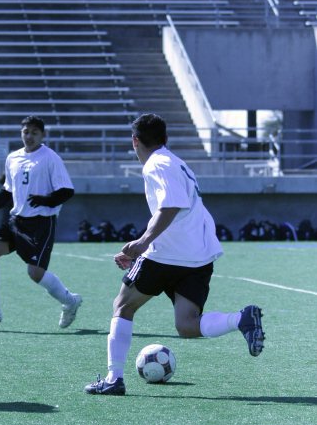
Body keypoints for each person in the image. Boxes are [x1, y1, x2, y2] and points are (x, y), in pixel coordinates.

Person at [85, 113, 265, 396]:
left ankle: (114, 378)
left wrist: (143, 242)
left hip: (166, 255)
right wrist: (142, 242)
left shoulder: (156, 164)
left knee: (123, 306)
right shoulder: (177, 163)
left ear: (135, 141)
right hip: (199, 255)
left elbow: (171, 207)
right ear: (165, 138)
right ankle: (240, 319)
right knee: (187, 324)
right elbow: (173, 208)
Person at [0, 115, 82, 328]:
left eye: (35, 132)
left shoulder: (50, 158)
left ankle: (70, 301)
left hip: (41, 223)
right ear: (21, 133)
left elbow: (67, 191)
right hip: (15, 220)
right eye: (26, 132)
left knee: (35, 274)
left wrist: (46, 200)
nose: (30, 136)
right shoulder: (13, 158)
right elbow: (8, 191)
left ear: (43, 135)